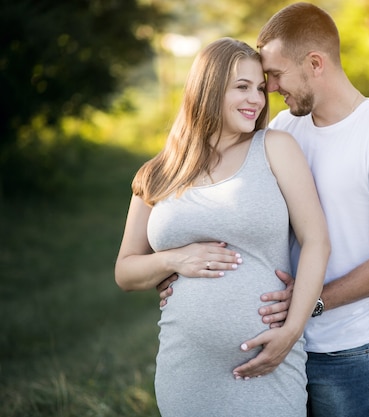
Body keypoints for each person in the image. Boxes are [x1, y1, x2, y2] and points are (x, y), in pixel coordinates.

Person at [160, 3, 369, 416]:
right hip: (278, 346)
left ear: (315, 63)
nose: (270, 89)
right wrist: (182, 272)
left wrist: (310, 304)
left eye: (276, 75)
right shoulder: (284, 129)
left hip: (347, 348)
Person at [115, 37, 330, 417]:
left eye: (260, 88)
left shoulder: (275, 148)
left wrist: (291, 332)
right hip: (186, 373)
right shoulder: (158, 173)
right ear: (209, 89)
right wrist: (175, 259)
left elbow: (316, 241)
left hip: (269, 365)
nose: (257, 99)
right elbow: (126, 271)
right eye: (242, 87)